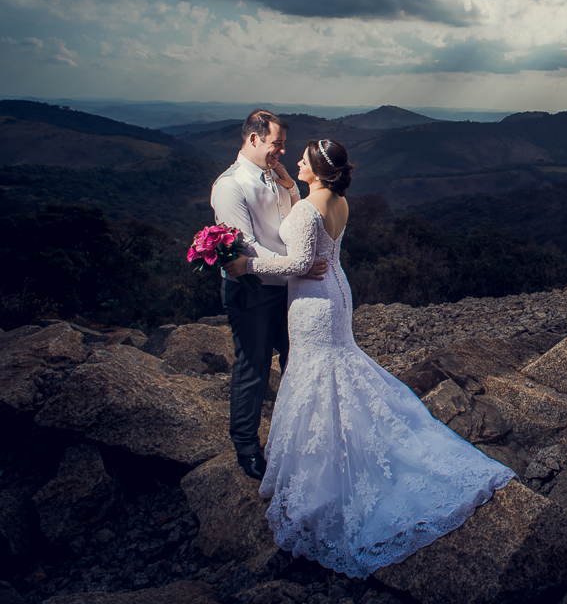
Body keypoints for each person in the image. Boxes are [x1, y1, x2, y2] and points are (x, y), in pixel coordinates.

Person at [224, 139, 514, 577]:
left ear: (317, 170)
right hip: (337, 292)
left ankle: (326, 475)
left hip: (313, 303)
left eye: (301, 159)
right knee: (339, 368)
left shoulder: (306, 209)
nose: (294, 162)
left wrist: (245, 267)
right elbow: (316, 237)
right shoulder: (335, 200)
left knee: (316, 375)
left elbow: (300, 261)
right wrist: (292, 186)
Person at [211, 110, 328, 480]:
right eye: (276, 144)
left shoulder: (276, 176)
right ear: (253, 139)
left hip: (288, 289)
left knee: (296, 361)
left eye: (282, 144)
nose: (281, 150)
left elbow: (293, 221)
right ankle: (246, 448)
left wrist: (291, 186)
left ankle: (292, 439)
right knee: (253, 368)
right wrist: (299, 265)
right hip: (253, 291)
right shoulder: (230, 186)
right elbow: (247, 250)